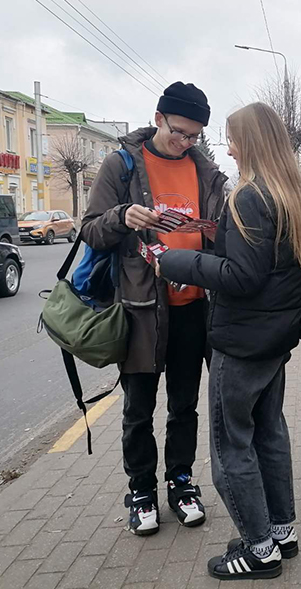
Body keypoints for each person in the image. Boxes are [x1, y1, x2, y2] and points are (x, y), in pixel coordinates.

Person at [158, 102, 301, 580]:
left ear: (250, 141)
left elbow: (242, 277)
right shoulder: (289, 191)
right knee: (270, 434)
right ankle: (279, 531)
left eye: (231, 138)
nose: (225, 147)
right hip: (273, 337)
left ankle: (258, 548)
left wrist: (175, 262)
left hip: (242, 339)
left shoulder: (249, 196)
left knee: (232, 446)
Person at [82, 82, 225, 536]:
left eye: (195, 136)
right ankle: (141, 491)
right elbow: (88, 231)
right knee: (138, 408)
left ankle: (181, 483)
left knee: (184, 405)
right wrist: (121, 216)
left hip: (193, 308)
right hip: (140, 309)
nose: (186, 143)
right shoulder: (122, 165)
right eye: (180, 132)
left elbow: (222, 234)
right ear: (159, 118)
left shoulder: (206, 173)